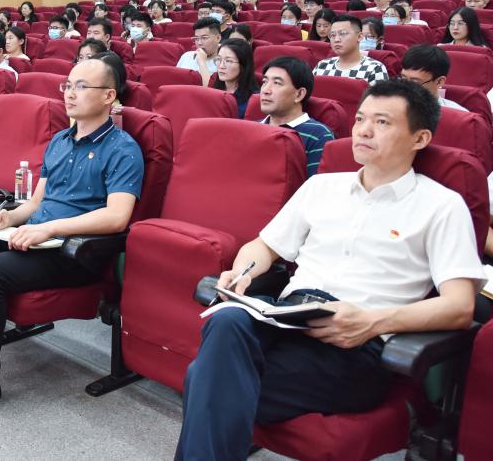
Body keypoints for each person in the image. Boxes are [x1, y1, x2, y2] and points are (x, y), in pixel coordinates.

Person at [175, 79, 484, 460]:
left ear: (420, 138)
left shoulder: (441, 206)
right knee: (227, 320)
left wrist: (371, 322)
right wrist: (245, 272)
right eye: (360, 119)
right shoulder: (321, 187)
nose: (363, 131)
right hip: (287, 316)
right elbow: (264, 247)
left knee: (204, 378)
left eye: (382, 123)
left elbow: (459, 306)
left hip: (355, 343)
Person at [0, 53, 144, 427]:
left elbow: (117, 217)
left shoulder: (123, 149)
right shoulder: (60, 140)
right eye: (68, 85)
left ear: (108, 95)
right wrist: (8, 217)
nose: (70, 93)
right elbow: (35, 203)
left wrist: (51, 229)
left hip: (73, 251)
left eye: (82, 87)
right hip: (34, 236)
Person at [257, 57, 335, 176]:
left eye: (277, 83)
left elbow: (315, 185)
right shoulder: (252, 128)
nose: (265, 90)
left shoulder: (319, 135)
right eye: (264, 82)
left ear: (299, 94)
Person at [313, 15, 389, 85]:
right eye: (333, 35)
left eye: (343, 33)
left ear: (359, 37)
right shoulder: (322, 65)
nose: (336, 39)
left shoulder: (375, 68)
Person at [400, 45, 466, 111]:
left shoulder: (457, 114)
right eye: (403, 79)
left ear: (439, 81)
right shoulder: (395, 105)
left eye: (415, 83)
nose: (405, 88)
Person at [211, 38, 258, 118]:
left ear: (243, 65)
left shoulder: (253, 100)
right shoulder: (213, 90)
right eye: (219, 59)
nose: (221, 66)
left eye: (228, 61)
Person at [177, 17, 222, 85]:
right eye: (196, 38)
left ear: (218, 38)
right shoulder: (186, 56)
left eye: (204, 38)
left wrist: (201, 62)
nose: (199, 43)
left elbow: (211, 89)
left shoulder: (223, 63)